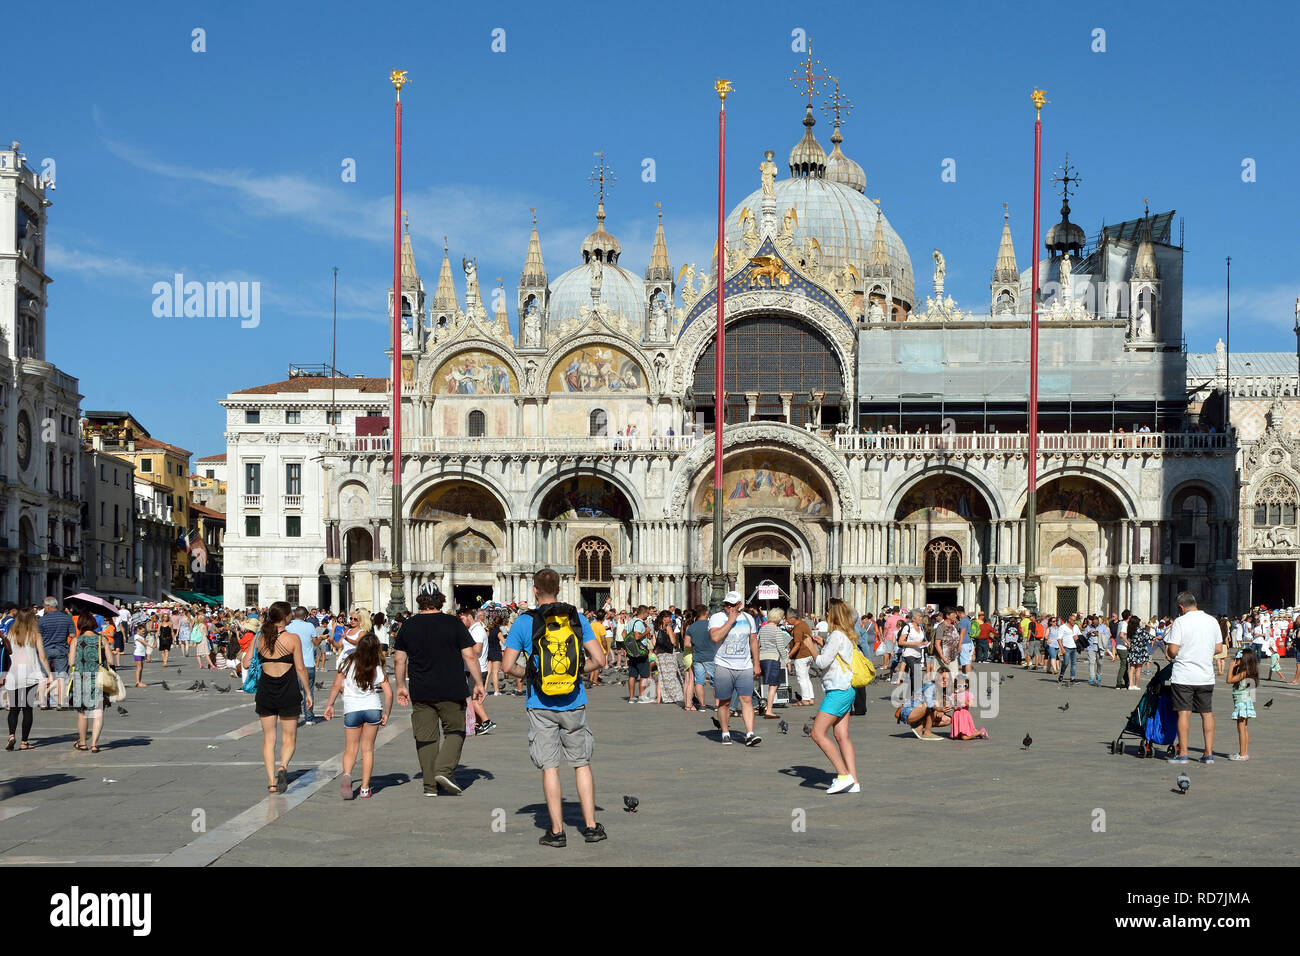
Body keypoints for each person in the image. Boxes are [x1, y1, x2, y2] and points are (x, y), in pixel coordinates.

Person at [501, 568, 608, 847]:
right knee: (581, 764)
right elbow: (600, 659)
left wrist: (533, 675)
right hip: (574, 701)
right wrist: (575, 672)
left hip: (540, 703)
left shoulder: (524, 622)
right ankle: (591, 826)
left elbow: (507, 666)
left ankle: (557, 832)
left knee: (550, 767)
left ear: (534, 590)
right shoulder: (577, 618)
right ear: (559, 589)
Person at [393, 587, 484, 796]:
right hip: (452, 688)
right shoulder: (453, 623)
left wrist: (400, 686)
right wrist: (478, 681)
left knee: (426, 737)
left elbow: (399, 659)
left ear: (420, 601)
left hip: (421, 690)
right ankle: (443, 770)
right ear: (441, 601)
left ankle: (430, 786)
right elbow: (469, 656)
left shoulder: (408, 625)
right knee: (456, 731)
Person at [242, 601, 312, 793]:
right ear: (286, 616)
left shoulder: (260, 637)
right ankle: (283, 767)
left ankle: (271, 781)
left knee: (268, 738)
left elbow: (246, 663)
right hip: (288, 689)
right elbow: (300, 668)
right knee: (289, 737)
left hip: (266, 690)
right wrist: (307, 692)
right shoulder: (292, 638)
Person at [323, 632, 392, 799]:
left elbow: (335, 686)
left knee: (350, 748)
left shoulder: (348, 663)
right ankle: (365, 788)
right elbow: (389, 694)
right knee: (367, 749)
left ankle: (347, 774)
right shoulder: (377, 666)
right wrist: (386, 713)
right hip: (372, 708)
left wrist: (330, 705)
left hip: (352, 709)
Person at [806, 599, 860, 793]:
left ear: (833, 614)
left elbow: (821, 663)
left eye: (828, 612)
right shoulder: (845, 635)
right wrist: (822, 644)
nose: (826, 614)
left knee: (817, 733)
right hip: (846, 688)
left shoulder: (836, 634)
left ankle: (843, 775)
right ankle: (854, 780)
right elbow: (834, 658)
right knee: (841, 735)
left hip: (837, 690)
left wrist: (809, 646)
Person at [1165, 591, 1222, 765]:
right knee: (1207, 713)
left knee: (1184, 713)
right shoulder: (1212, 621)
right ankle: (1209, 753)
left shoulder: (1180, 622)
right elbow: (1219, 648)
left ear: (1181, 607)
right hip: (1205, 675)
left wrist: (1171, 653)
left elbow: (1173, 650)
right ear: (1195, 603)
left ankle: (1183, 753)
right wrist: (1202, 652)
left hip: (1184, 675)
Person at [708, 591, 762, 746]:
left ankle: (750, 733)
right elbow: (715, 637)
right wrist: (730, 621)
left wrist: (756, 663)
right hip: (724, 665)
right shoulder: (717, 618)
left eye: (732, 604)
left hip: (744, 665)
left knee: (747, 699)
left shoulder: (748, 618)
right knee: (724, 702)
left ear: (740, 604)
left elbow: (753, 641)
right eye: (727, 604)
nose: (729, 607)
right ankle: (725, 732)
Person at [5, 609, 51, 750]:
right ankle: (24, 742)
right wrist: (49, 673)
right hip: (30, 674)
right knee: (27, 709)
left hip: (13, 674)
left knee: (13, 708)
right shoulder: (35, 635)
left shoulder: (10, 634)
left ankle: (11, 735)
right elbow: (42, 656)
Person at [71, 613, 108, 753]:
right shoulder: (101, 639)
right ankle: (94, 744)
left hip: (81, 678)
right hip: (98, 678)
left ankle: (82, 743)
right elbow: (110, 661)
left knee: (83, 713)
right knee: (98, 712)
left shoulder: (76, 640)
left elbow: (70, 662)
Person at [458, 607, 496, 734]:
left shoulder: (477, 630)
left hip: (477, 668)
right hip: (474, 668)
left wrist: (461, 650)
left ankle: (486, 721)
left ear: (469, 616)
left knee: (473, 699)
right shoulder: (473, 630)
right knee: (472, 697)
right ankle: (479, 724)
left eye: (462, 618)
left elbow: (477, 649)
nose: (461, 621)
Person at [37, 597, 74, 709]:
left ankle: (43, 702)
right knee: (61, 676)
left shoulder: (42, 620)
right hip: (61, 649)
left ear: (48, 606)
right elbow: (72, 635)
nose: (44, 609)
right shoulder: (67, 618)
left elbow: (38, 636)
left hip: (45, 650)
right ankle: (60, 703)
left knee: (43, 675)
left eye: (44, 607)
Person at [286, 607, 320, 725]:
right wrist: (321, 638)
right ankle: (309, 718)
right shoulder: (310, 626)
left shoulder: (288, 627)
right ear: (305, 616)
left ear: (294, 614)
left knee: (292, 691)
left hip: (293, 664)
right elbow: (316, 643)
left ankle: (292, 716)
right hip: (308, 663)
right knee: (309, 691)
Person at [1225, 648, 1258, 761]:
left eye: (1238, 658)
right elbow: (1252, 694)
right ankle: (1244, 752)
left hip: (1241, 703)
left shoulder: (1244, 673)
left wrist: (1231, 667)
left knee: (1241, 728)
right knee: (1244, 728)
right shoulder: (1250, 672)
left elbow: (1229, 680)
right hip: (1246, 702)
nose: (1236, 660)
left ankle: (1243, 754)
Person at [756, 609, 786, 718]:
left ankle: (763, 707)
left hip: (762, 657)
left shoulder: (762, 628)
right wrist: (787, 661)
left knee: (765, 683)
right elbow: (781, 647)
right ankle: (769, 710)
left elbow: (757, 643)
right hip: (773, 658)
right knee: (773, 685)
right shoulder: (776, 630)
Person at [652, 610, 684, 705]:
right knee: (672, 676)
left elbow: (654, 642)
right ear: (664, 618)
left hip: (660, 655)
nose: (670, 619)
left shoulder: (656, 628)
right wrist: (673, 635)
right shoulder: (668, 627)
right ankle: (673, 696)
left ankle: (658, 698)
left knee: (661, 677)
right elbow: (673, 642)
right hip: (669, 655)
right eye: (669, 617)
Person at [686, 605, 713, 712]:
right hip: (711, 656)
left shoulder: (692, 627)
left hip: (697, 656)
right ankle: (717, 704)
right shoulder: (711, 625)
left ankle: (702, 705)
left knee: (699, 681)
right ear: (706, 613)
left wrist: (696, 645)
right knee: (716, 681)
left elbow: (687, 644)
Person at [624, 606, 652, 703]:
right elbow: (637, 636)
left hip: (632, 652)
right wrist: (646, 631)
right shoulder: (639, 623)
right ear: (643, 613)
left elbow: (624, 633)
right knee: (644, 675)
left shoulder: (630, 621)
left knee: (632, 675)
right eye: (647, 613)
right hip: (641, 651)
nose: (648, 615)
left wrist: (628, 646)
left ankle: (631, 697)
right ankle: (641, 696)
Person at [949, 674, 989, 740]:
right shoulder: (954, 694)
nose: (962, 687)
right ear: (956, 685)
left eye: (964, 685)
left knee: (964, 737)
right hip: (956, 715)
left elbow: (972, 704)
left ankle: (981, 731)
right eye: (959, 685)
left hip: (964, 715)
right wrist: (954, 706)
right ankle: (976, 733)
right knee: (959, 737)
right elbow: (951, 704)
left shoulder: (968, 694)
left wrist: (964, 701)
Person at [131, 624, 154, 689]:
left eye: (144, 631)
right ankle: (137, 682)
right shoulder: (136, 636)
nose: (143, 632)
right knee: (139, 668)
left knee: (141, 668)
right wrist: (151, 646)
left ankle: (139, 681)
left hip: (142, 654)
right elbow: (143, 642)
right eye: (142, 631)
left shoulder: (142, 636)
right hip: (138, 653)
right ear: (138, 630)